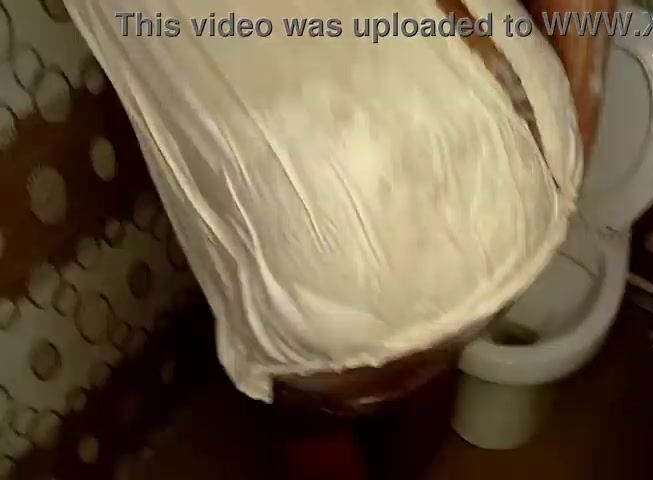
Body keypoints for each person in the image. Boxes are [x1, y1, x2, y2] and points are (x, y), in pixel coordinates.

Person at [64, 0, 614, 476]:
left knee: (322, 398)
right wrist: (570, 139)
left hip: (317, 220)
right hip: (514, 156)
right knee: (426, 355)